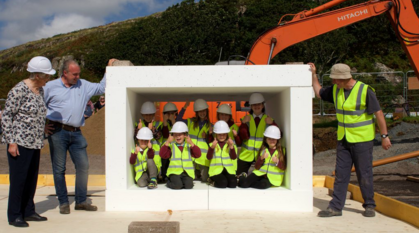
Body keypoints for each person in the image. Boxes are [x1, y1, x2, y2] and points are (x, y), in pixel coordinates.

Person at [310, 63, 392, 218]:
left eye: (336, 80)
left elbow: (379, 113)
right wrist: (313, 74)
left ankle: (369, 205)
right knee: (341, 174)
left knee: (364, 173)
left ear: (345, 78)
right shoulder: (336, 90)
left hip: (362, 140)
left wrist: (384, 136)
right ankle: (335, 208)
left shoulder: (364, 90)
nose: (334, 82)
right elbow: (319, 92)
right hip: (344, 139)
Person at [44, 58, 117, 214]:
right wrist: (43, 125)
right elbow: (38, 106)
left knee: (83, 166)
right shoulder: (50, 87)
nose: (77, 77)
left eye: (78, 74)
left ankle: (81, 201)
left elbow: (102, 87)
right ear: (65, 73)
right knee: (59, 169)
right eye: (74, 74)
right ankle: (63, 202)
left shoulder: (83, 85)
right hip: (57, 131)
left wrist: (108, 68)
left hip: (76, 132)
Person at [2, 56, 56, 227]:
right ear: (37, 75)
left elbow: (36, 114)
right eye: (47, 75)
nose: (49, 79)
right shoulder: (18, 90)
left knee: (31, 179)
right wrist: (11, 142)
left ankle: (29, 210)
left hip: (34, 142)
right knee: (19, 180)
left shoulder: (39, 90)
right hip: (19, 143)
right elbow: (7, 117)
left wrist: (42, 129)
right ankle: (15, 215)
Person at [237, 93, 277, 175]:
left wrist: (272, 123)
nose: (256, 106)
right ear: (251, 106)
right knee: (238, 177)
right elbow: (243, 137)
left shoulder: (268, 119)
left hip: (262, 155)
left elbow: (278, 135)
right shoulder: (246, 119)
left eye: (259, 104)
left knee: (259, 178)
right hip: (246, 155)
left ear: (263, 105)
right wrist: (244, 123)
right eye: (254, 104)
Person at [176, 99, 211, 183]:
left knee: (204, 180)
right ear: (197, 112)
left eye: (204, 111)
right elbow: (178, 120)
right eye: (200, 111)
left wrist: (208, 136)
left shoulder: (210, 125)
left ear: (206, 111)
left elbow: (211, 142)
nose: (202, 113)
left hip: (203, 158)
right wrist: (185, 107)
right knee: (191, 179)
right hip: (191, 156)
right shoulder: (190, 122)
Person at [160, 122, 201, 189]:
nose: (178, 137)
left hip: (187, 172)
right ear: (172, 136)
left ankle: (182, 183)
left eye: (180, 134)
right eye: (175, 135)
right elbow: (162, 154)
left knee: (189, 186)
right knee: (178, 185)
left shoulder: (189, 144)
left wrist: (191, 143)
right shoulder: (170, 145)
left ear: (185, 135)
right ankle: (169, 181)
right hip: (174, 172)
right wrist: (167, 141)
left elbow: (198, 154)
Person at [207, 121, 238, 188]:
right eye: (219, 134)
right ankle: (211, 180)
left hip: (228, 170)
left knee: (233, 184)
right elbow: (208, 157)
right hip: (216, 171)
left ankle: (226, 180)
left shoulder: (230, 144)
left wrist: (231, 147)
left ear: (227, 134)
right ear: (216, 134)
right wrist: (212, 147)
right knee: (222, 184)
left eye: (224, 134)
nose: (221, 136)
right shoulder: (212, 145)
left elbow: (234, 157)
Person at [160, 102, 179, 183]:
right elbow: (164, 134)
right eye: (168, 114)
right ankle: (164, 176)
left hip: (176, 147)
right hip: (166, 147)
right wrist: (165, 122)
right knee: (165, 162)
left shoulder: (178, 124)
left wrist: (173, 121)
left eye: (172, 113)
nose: (170, 115)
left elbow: (177, 132)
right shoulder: (162, 124)